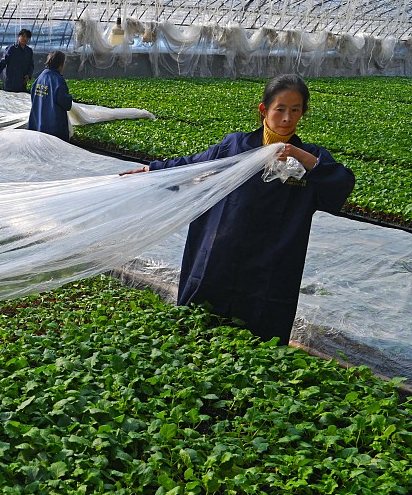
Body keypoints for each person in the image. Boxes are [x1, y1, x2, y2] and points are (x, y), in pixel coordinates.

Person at [120, 74, 355, 343]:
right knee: (203, 323)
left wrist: (304, 158)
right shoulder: (236, 145)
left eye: (295, 110)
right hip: (223, 248)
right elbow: (197, 165)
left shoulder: (309, 158)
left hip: (273, 258)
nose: (287, 118)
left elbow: (340, 186)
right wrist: (153, 170)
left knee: (260, 329)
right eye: (280, 109)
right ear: (264, 110)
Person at [27, 50, 73, 142]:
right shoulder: (58, 80)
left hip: (38, 123)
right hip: (53, 128)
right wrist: (70, 98)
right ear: (60, 64)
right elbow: (66, 104)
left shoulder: (41, 77)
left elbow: (33, 97)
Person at [0, 28, 34, 92]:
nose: (25, 39)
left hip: (22, 80)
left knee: (20, 99)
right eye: (23, 36)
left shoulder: (29, 51)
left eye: (27, 37)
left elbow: (31, 65)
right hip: (10, 79)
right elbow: (3, 61)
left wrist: (28, 75)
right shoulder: (11, 48)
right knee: (9, 97)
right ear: (18, 37)